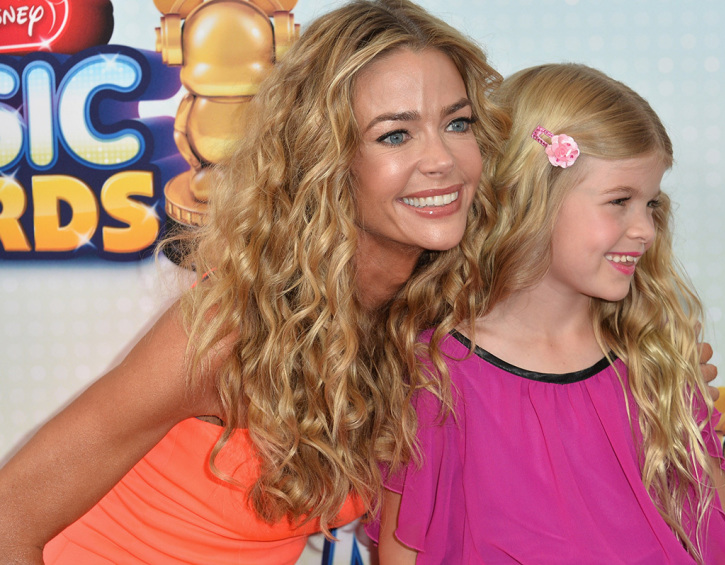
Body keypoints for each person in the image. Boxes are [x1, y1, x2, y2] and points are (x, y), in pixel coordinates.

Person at [0, 1, 510, 563]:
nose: (442, 160)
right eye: (395, 135)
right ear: (326, 158)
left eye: (457, 123)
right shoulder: (227, 332)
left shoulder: (425, 318)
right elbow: (10, 517)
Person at [371, 63, 725, 564]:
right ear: (534, 197)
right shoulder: (438, 376)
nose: (645, 231)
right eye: (619, 201)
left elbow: (723, 540)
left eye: (651, 204)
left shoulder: (658, 362)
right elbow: (406, 550)